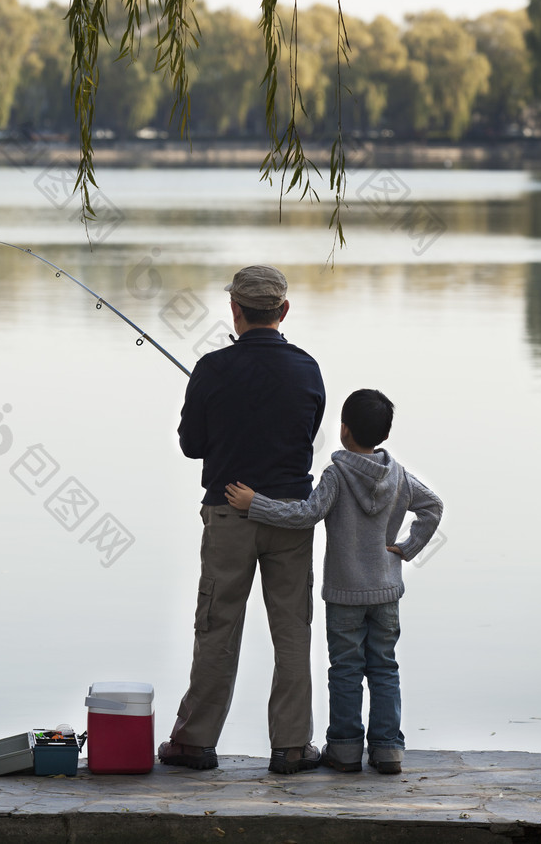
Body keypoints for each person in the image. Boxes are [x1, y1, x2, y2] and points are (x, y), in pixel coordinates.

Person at [158, 265, 326, 774]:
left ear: (234, 310)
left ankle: (195, 743)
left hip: (229, 514)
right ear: (284, 310)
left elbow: (191, 446)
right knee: (292, 630)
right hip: (293, 516)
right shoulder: (307, 368)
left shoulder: (211, 369)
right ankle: (292, 747)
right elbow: (308, 434)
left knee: (217, 625)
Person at [225, 388, 443, 775]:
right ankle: (388, 750)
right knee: (384, 667)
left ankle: (343, 749)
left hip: (344, 595)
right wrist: (407, 548)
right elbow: (433, 506)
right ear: (384, 436)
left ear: (343, 431)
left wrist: (255, 503)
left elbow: (307, 514)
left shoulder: (336, 474)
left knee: (345, 669)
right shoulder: (399, 476)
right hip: (386, 592)